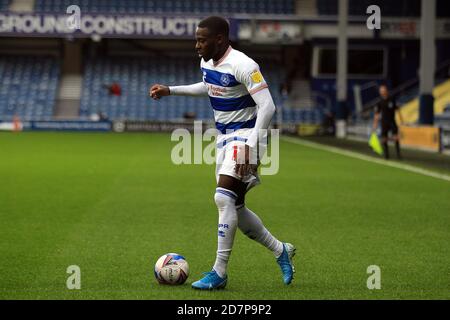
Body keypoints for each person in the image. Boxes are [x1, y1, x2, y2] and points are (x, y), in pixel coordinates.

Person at [149, 16, 295, 290]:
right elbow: (208, 86)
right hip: (225, 138)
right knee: (235, 208)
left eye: (202, 40)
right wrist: (172, 90)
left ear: (220, 39)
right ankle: (280, 250)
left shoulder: (245, 65)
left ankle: (219, 272)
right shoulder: (207, 62)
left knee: (222, 197)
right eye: (196, 39)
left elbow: (268, 107)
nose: (197, 45)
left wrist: (251, 148)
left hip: (248, 136)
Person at [372, 84, 404, 159]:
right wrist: (375, 125)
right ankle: (386, 155)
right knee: (384, 138)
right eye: (381, 91)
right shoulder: (379, 102)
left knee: (396, 137)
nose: (382, 92)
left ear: (386, 91)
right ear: (380, 92)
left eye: (383, 90)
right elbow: (376, 114)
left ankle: (398, 154)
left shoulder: (392, 99)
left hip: (392, 121)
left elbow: (397, 109)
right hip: (384, 122)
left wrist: (401, 120)